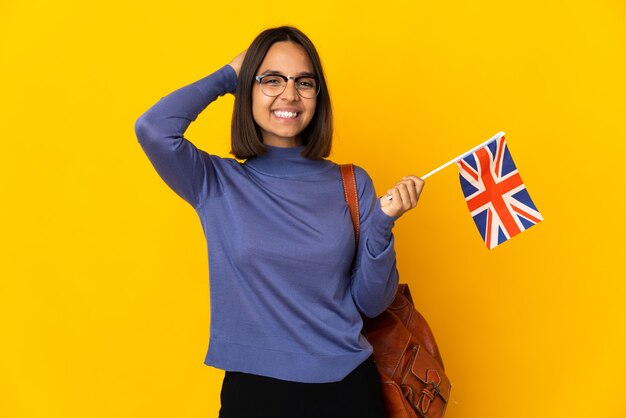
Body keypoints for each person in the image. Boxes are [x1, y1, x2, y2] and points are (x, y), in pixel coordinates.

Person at [135, 26, 424, 418]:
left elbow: (371, 303)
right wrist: (226, 76)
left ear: (317, 97)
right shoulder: (216, 183)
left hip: (346, 392)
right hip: (254, 395)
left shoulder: (352, 183)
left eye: (304, 82)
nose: (289, 94)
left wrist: (383, 225)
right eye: (272, 80)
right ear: (247, 88)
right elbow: (153, 128)